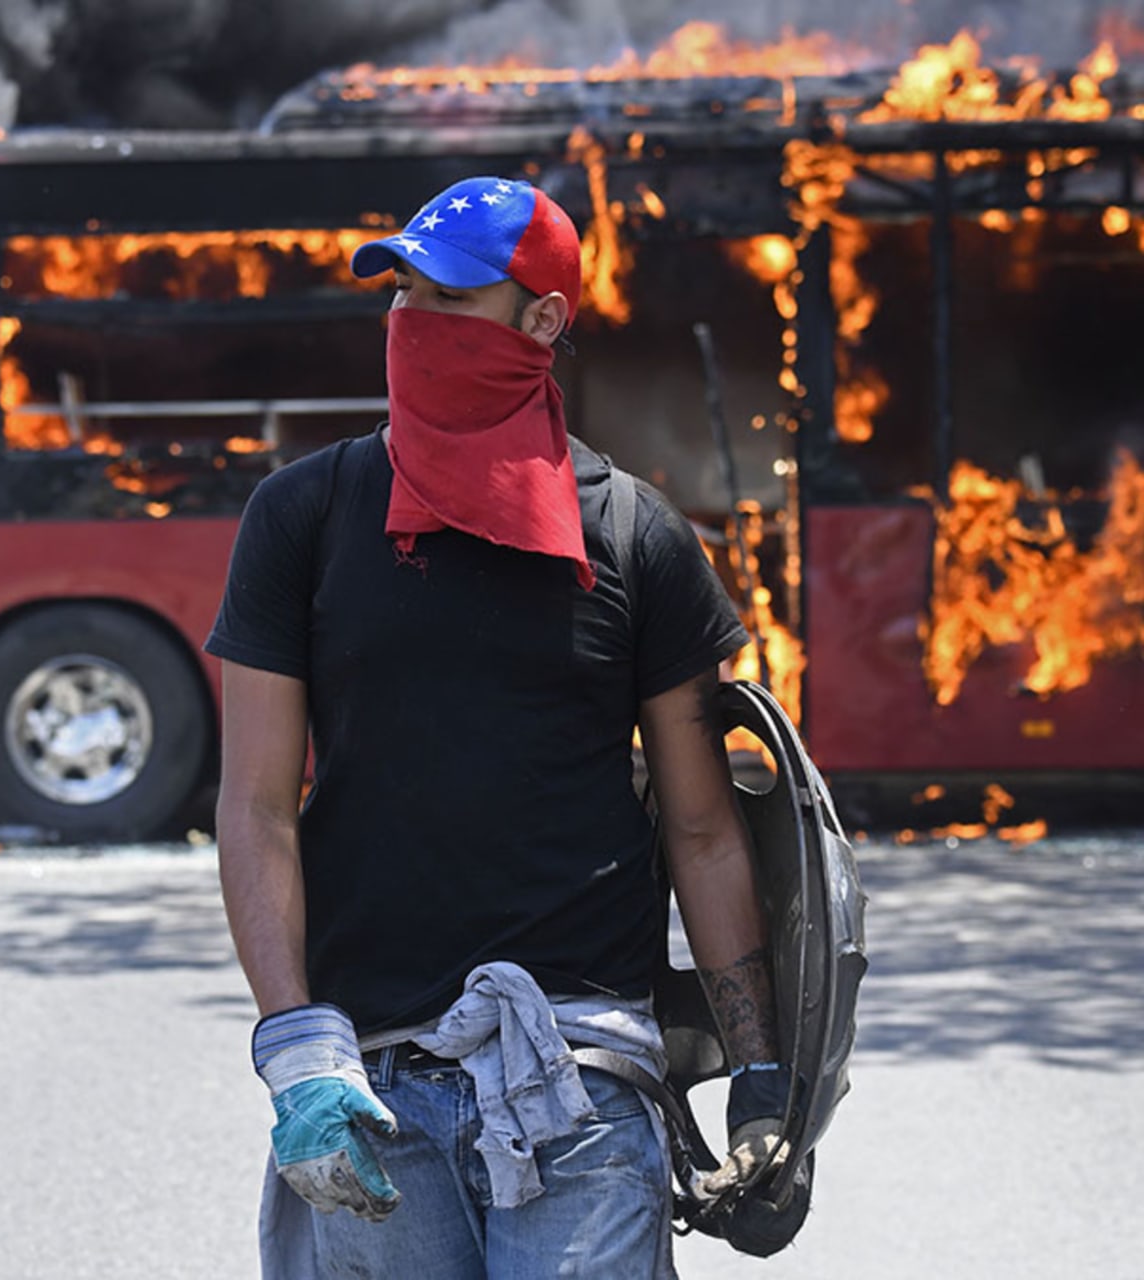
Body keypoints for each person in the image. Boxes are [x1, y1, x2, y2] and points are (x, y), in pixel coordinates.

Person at [206, 176, 789, 1278]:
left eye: (451, 297)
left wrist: (760, 1071)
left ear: (543, 319)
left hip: (582, 1076)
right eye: (402, 294)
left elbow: (704, 830)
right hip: (370, 1079)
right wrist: (298, 1048)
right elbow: (257, 807)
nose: (414, 319)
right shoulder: (302, 517)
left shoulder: (638, 537)